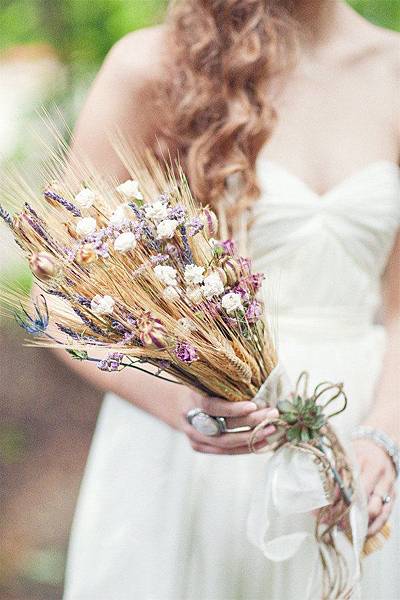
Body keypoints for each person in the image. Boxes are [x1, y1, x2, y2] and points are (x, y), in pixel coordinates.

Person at [61, 1, 400, 598]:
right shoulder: (153, 68)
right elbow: (61, 298)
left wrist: (382, 438)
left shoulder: (393, 69)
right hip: (190, 457)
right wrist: (184, 404)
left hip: (356, 450)